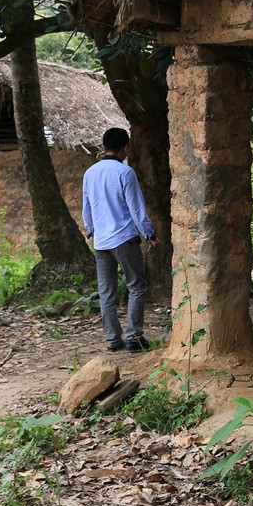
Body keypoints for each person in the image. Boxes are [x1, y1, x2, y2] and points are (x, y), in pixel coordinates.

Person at [81, 127, 160, 352]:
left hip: (101, 242)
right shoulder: (125, 173)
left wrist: (91, 230)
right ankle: (134, 337)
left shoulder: (90, 173)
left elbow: (86, 207)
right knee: (136, 286)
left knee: (107, 292)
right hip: (124, 239)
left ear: (104, 146)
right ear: (125, 147)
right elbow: (137, 209)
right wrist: (150, 235)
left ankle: (113, 340)